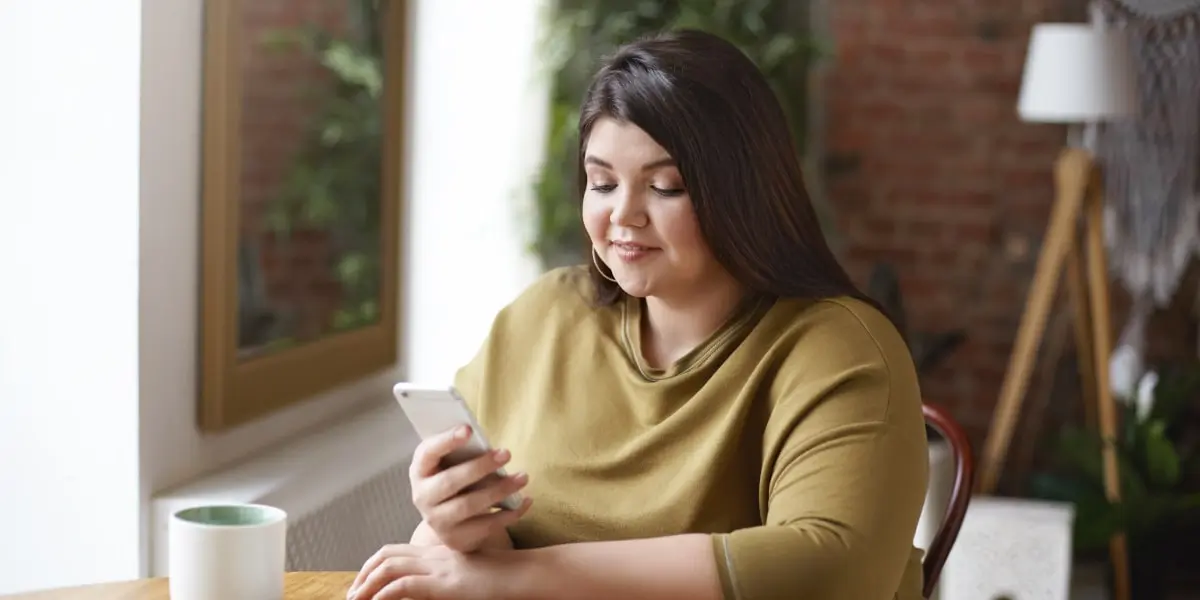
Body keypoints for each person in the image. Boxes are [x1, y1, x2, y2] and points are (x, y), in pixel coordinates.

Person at [349, 28, 929, 600]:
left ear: (742, 191)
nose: (622, 215)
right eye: (602, 182)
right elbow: (469, 554)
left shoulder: (840, 347)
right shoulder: (544, 317)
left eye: (665, 187)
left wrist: (512, 578)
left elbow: (828, 570)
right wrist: (455, 520)